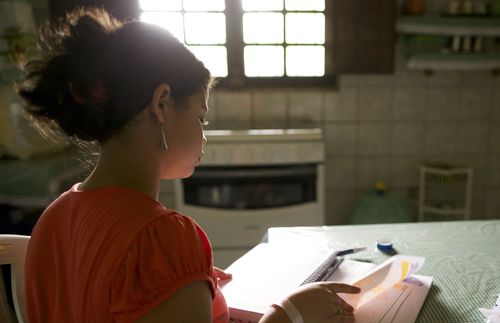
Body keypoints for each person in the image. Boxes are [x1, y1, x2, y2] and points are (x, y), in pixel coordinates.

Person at [17, 7, 360, 323]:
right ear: (161, 104)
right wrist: (291, 314)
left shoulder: (53, 218)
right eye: (200, 117)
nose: (204, 136)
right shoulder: (163, 238)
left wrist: (183, 283)